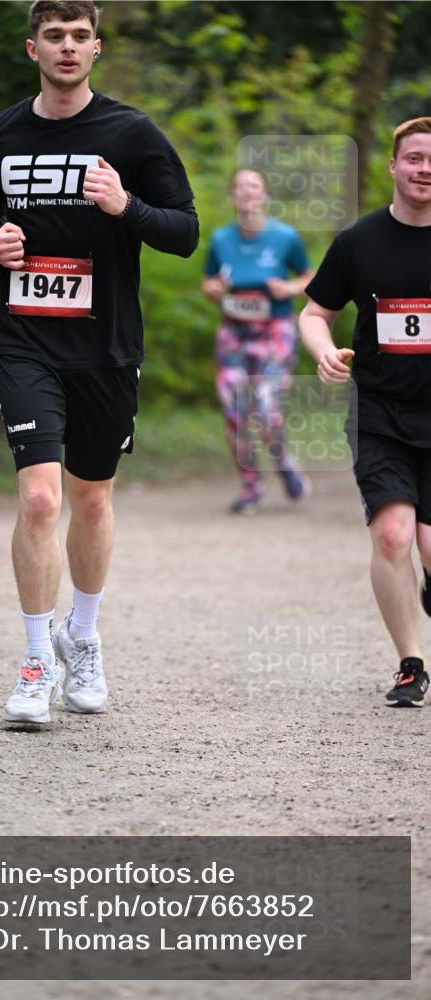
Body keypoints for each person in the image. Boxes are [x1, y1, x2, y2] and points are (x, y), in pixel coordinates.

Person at [0, 0, 198, 724]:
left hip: (104, 345)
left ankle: (83, 638)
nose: (66, 48)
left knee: (91, 497)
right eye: (53, 37)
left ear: (95, 49)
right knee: (39, 497)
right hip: (24, 336)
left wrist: (124, 206)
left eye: (78, 37)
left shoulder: (130, 133)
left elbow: (184, 232)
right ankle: (35, 664)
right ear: (31, 47)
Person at [299, 116, 431, 706]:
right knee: (393, 535)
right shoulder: (359, 242)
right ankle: (411, 664)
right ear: (394, 166)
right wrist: (325, 353)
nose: (424, 169)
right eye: (414, 158)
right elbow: (313, 314)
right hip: (379, 411)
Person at [201, 169, 314, 514]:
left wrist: (291, 288)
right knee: (235, 412)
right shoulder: (221, 240)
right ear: (232, 197)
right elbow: (208, 284)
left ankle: (284, 463)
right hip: (234, 333)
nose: (247, 193)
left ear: (265, 196)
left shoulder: (285, 238)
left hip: (274, 331)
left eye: (254, 187)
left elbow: (310, 277)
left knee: (265, 411)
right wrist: (215, 289)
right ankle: (250, 487)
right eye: (240, 187)